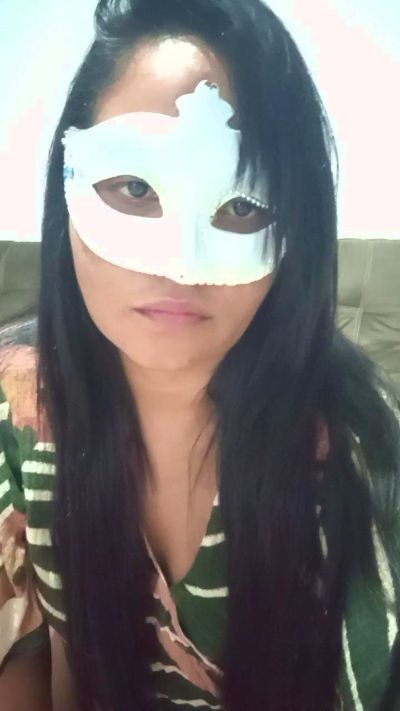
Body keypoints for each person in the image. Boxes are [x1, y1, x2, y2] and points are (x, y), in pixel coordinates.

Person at [0, 0, 399, 709]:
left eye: (243, 207)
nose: (180, 265)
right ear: (66, 187)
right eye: (133, 188)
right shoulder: (17, 407)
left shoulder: (359, 454)